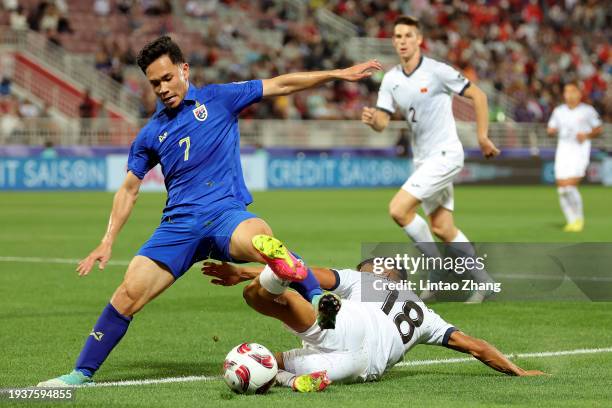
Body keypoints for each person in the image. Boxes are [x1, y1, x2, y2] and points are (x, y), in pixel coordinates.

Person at [37, 36, 382, 387]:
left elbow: (281, 83)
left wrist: (338, 74)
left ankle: (317, 299)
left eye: (168, 78)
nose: (162, 88)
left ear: (184, 70)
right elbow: (129, 189)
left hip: (226, 215)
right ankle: (79, 374)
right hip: (179, 225)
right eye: (155, 83)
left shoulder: (220, 98)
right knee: (128, 294)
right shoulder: (150, 134)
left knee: (265, 243)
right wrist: (107, 239)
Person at [203, 237, 545, 392]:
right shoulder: (426, 315)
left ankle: (274, 276)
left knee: (258, 297)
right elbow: (475, 346)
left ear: (383, 273)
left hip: (345, 326)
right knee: (277, 366)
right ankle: (293, 380)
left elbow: (305, 270)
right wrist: (518, 371)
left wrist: (242, 273)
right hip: (360, 368)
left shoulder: (366, 281)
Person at [361, 16, 499, 303]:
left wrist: (483, 136)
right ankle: (484, 282)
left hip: (446, 154)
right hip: (422, 161)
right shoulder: (391, 79)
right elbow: (383, 123)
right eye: (397, 36)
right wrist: (373, 120)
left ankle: (438, 270)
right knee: (441, 228)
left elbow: (479, 96)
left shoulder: (437, 71)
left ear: (419, 39)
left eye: (408, 35)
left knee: (399, 209)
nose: (402, 41)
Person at [547, 82, 603, 232]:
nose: (569, 95)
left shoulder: (587, 111)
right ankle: (571, 221)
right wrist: (551, 131)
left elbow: (598, 129)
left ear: (579, 93)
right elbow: (551, 128)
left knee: (570, 186)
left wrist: (587, 135)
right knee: (562, 189)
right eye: (566, 92)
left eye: (572, 91)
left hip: (579, 151)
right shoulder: (559, 111)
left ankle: (579, 219)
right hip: (563, 151)